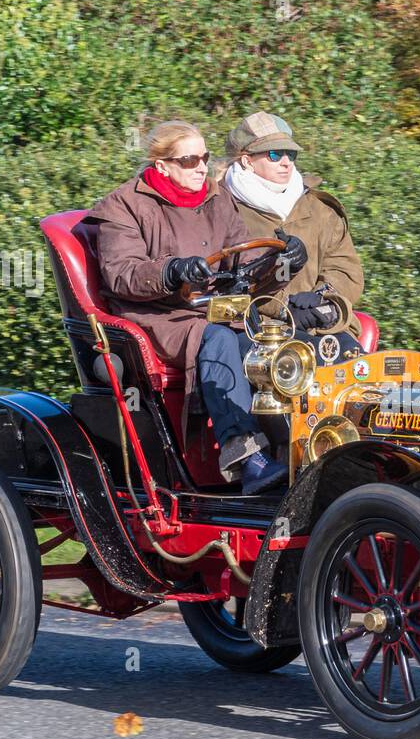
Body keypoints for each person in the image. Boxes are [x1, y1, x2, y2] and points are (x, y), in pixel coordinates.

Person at [84, 120, 306, 493]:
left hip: (215, 310)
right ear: (162, 166)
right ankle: (244, 453)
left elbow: (242, 265)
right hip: (158, 317)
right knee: (219, 337)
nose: (202, 167)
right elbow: (121, 274)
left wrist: (283, 261)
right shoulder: (123, 205)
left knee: (275, 342)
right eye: (189, 160)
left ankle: (296, 446)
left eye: (204, 157)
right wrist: (171, 270)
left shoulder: (217, 199)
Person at [220, 112, 364, 360]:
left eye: (291, 154)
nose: (286, 162)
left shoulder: (320, 209)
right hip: (255, 330)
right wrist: (286, 308)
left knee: (365, 379)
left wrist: (321, 298)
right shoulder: (220, 207)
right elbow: (225, 281)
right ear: (246, 160)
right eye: (275, 154)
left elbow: (345, 269)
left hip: (323, 323)